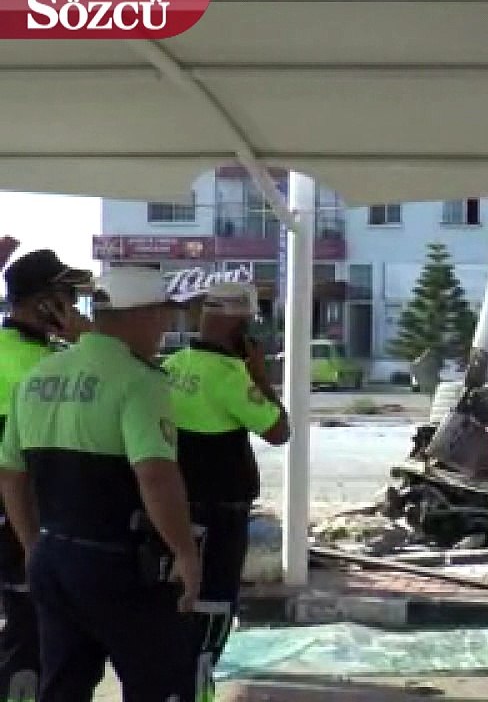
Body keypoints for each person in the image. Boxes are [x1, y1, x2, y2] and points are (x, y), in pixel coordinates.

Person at [0, 266, 202, 702]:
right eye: (165, 317)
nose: (168, 329)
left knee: (63, 686)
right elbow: (156, 474)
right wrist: (185, 550)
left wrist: (34, 546)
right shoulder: (139, 381)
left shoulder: (37, 377)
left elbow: (11, 474)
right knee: (159, 682)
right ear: (144, 315)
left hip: (52, 556)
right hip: (117, 563)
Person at [163, 282, 289, 702]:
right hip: (220, 512)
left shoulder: (171, 365)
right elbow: (278, 430)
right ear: (240, 325)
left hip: (171, 505)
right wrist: (260, 377)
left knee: (174, 599)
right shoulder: (232, 376)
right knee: (214, 604)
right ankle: (197, 689)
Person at [0, 248, 92, 701]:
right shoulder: (40, 368)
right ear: (44, 304)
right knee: (29, 636)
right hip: (25, 521)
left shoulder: (27, 353)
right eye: (67, 296)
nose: (74, 306)